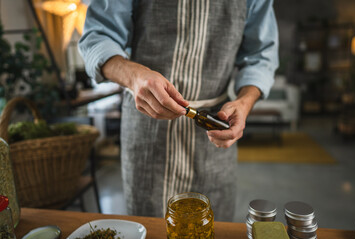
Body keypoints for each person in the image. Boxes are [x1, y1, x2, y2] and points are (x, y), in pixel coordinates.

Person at [78, 0, 278, 221]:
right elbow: (97, 36)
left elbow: (261, 56)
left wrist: (244, 102)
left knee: (212, 225)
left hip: (213, 137)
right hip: (146, 131)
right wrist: (135, 76)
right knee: (150, 225)